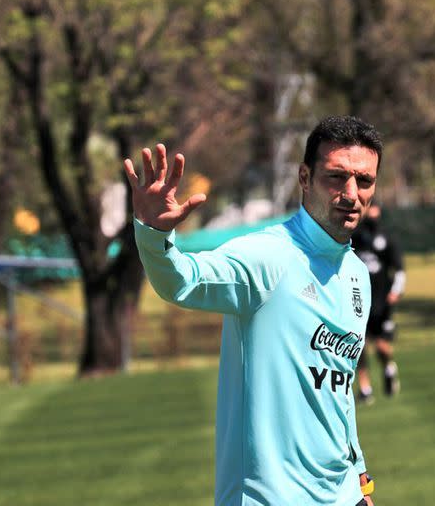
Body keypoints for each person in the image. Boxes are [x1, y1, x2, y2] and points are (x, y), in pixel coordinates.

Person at [125, 115, 381, 505]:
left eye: (364, 181)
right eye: (336, 177)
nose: (351, 193)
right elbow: (182, 281)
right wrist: (154, 233)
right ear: (305, 178)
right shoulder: (268, 255)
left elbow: (339, 388)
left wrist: (358, 473)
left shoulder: (357, 275)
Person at [352, 204, 405, 404]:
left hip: (382, 301)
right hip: (359, 300)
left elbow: (399, 268)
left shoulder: (387, 237)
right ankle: (365, 389)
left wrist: (396, 291)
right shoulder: (356, 236)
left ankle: (388, 367)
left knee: (382, 345)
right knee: (360, 346)